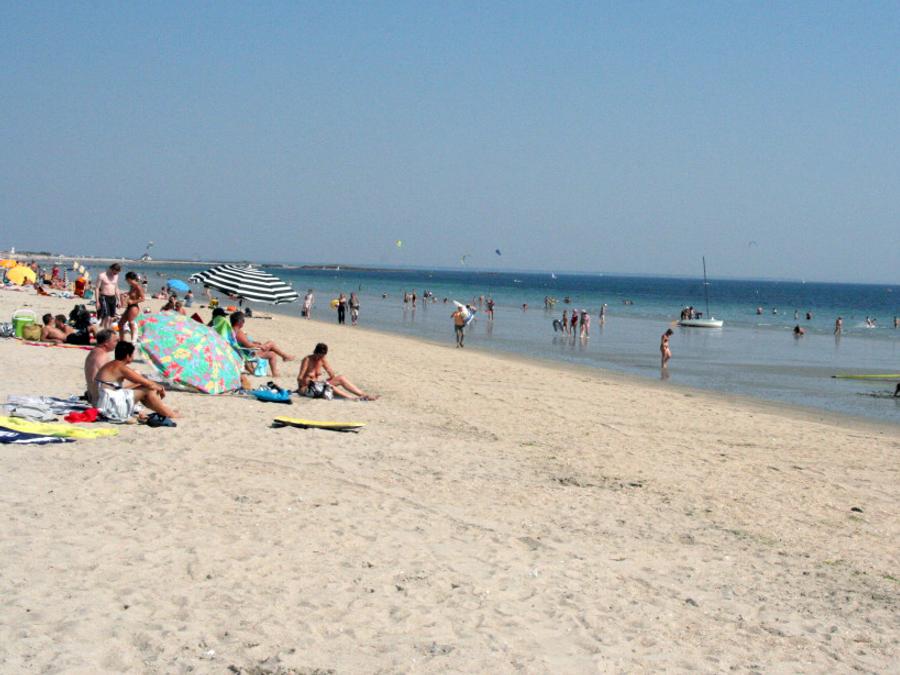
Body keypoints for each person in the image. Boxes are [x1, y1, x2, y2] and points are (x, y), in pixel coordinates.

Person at [95, 341, 177, 421]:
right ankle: (169, 414)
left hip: (104, 404)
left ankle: (165, 411)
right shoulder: (121, 368)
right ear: (128, 356)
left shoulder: (111, 365)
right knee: (148, 389)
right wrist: (161, 388)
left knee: (142, 387)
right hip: (111, 406)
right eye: (132, 354)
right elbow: (148, 384)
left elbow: (137, 383)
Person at [296, 343, 378, 400]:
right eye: (319, 356)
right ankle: (352, 398)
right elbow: (299, 378)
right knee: (328, 385)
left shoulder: (322, 360)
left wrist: (328, 378)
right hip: (306, 388)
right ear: (315, 352)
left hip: (318, 386)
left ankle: (364, 395)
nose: (319, 358)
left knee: (341, 378)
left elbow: (332, 375)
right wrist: (307, 384)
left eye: (322, 356)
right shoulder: (307, 360)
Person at [230, 311, 293, 376]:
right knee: (272, 351)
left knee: (271, 346)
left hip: (245, 351)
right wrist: (260, 346)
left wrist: (254, 342)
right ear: (239, 322)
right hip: (249, 354)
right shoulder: (238, 332)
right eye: (243, 320)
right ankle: (277, 369)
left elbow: (243, 342)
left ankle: (284, 357)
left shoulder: (232, 330)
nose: (244, 322)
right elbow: (249, 345)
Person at [84, 329, 119, 403]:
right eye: (115, 341)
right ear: (106, 343)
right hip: (101, 399)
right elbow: (110, 380)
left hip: (92, 395)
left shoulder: (94, 352)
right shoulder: (103, 356)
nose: (117, 343)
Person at [118, 271, 145, 340]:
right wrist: (125, 294)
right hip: (129, 307)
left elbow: (143, 298)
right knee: (120, 323)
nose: (126, 281)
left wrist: (133, 301)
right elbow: (131, 293)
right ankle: (122, 340)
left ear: (129, 279)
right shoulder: (132, 286)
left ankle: (133, 341)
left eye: (126, 279)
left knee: (131, 324)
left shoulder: (138, 287)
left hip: (134, 307)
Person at [96, 263, 121, 330]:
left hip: (113, 298)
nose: (115, 274)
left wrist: (119, 300)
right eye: (114, 272)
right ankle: (107, 330)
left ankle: (106, 328)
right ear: (111, 269)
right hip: (104, 297)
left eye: (116, 273)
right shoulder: (102, 276)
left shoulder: (116, 276)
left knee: (112, 316)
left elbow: (116, 288)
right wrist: (97, 301)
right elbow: (97, 288)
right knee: (107, 316)